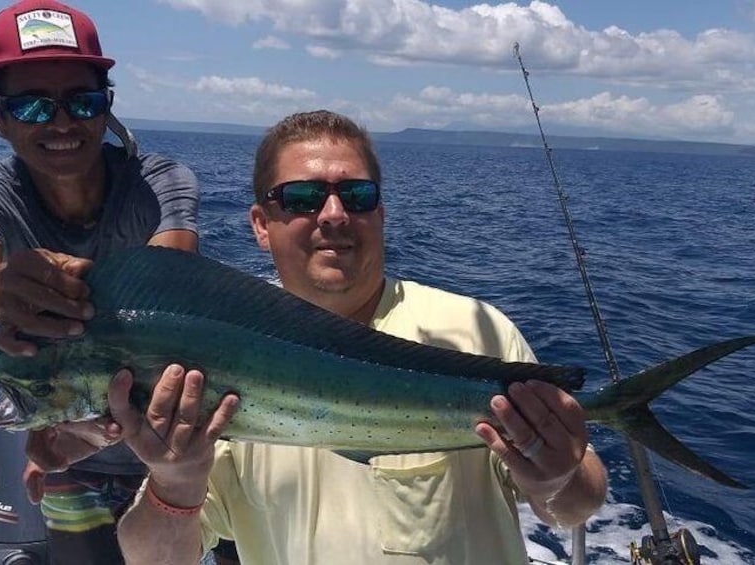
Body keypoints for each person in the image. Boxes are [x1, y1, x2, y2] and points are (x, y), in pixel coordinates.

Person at [109, 110, 608, 564]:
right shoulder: (205, 358)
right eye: (302, 197)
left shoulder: (474, 330)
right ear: (261, 225)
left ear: (382, 213)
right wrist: (175, 482)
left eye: (357, 196)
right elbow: (152, 558)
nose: (333, 214)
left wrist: (558, 479)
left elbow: (574, 507)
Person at [0, 1, 227, 563]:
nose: (60, 123)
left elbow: (167, 278)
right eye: (31, 105)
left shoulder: (160, 181)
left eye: (83, 100)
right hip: (73, 454)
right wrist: (6, 284)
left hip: (184, 447)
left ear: (108, 106)